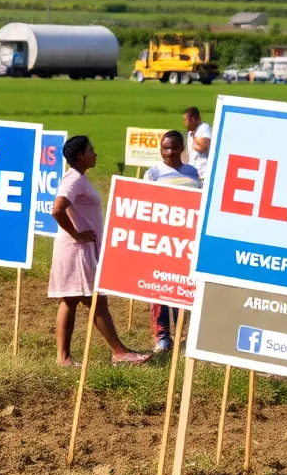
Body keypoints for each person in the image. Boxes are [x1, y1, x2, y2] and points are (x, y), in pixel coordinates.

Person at [49, 135, 150, 367]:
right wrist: (77, 235)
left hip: (79, 248)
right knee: (96, 300)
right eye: (92, 150)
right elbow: (57, 210)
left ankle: (64, 359)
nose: (96, 154)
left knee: (71, 300)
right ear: (81, 156)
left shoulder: (79, 178)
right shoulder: (73, 179)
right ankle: (120, 352)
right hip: (77, 249)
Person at [145, 130, 199, 352]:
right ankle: (162, 337)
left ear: (182, 149)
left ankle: (181, 333)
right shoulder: (153, 174)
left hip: (185, 243)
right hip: (160, 242)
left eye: (173, 147)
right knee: (159, 289)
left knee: (181, 288)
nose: (169, 152)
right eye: (165, 148)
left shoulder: (192, 173)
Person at [182, 107, 211, 182]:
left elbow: (202, 148)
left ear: (194, 119)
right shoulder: (190, 133)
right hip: (194, 173)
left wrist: (195, 137)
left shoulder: (204, 128)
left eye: (186, 120)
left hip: (204, 172)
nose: (185, 123)